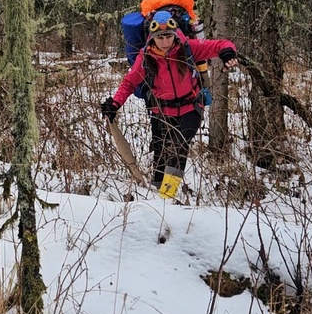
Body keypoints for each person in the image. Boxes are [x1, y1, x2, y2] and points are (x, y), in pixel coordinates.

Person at [101, 10, 239, 190]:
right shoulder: (145, 57)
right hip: (161, 111)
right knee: (160, 153)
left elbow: (221, 44)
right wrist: (115, 103)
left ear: (175, 34)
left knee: (178, 147)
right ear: (152, 37)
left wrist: (228, 53)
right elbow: (129, 82)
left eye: (168, 36)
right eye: (160, 37)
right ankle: (157, 192)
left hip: (191, 108)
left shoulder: (188, 47)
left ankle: (169, 193)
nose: (165, 42)